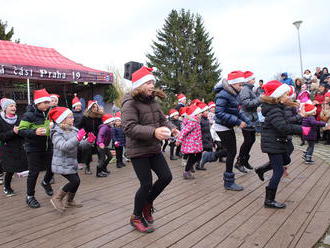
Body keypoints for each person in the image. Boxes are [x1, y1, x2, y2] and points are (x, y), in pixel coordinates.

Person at [122, 66, 176, 233]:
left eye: (152, 81)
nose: (152, 85)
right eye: (148, 82)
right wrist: (153, 132)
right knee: (146, 184)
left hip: (153, 147)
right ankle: (136, 217)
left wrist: (172, 128)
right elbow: (129, 127)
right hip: (138, 150)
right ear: (138, 85)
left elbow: (162, 120)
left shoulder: (152, 100)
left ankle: (147, 203)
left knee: (166, 177)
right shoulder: (129, 102)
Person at [260, 80, 304, 208]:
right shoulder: (274, 110)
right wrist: (301, 129)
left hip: (277, 142)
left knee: (286, 160)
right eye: (285, 94)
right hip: (273, 144)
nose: (287, 96)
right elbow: (283, 127)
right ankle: (269, 200)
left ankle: (262, 169)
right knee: (278, 171)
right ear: (278, 96)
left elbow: (284, 122)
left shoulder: (278, 107)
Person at [48, 107, 91, 212]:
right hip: (61, 163)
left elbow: (79, 145)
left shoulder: (73, 130)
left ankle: (69, 201)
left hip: (71, 162)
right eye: (70, 117)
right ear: (62, 119)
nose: (73, 119)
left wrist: (89, 141)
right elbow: (64, 146)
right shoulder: (56, 133)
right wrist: (77, 138)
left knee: (77, 181)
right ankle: (57, 198)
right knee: (74, 181)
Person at [214, 71, 250, 191]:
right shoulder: (223, 94)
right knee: (231, 152)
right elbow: (219, 113)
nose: (241, 87)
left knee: (229, 151)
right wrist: (238, 122)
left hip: (227, 125)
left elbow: (237, 111)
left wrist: (248, 121)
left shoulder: (233, 93)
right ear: (233, 84)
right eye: (240, 84)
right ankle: (228, 182)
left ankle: (209, 156)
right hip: (222, 126)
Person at [18, 89, 54, 208]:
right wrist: (35, 132)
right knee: (34, 172)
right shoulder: (29, 114)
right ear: (38, 103)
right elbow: (21, 131)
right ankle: (30, 197)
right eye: (45, 102)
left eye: (48, 102)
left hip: (47, 145)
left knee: (52, 167)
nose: (48, 105)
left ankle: (45, 182)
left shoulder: (49, 113)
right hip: (33, 148)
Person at [0, 98, 28, 196]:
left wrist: (22, 131)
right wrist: (13, 132)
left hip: (19, 147)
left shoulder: (19, 119)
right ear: (5, 108)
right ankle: (7, 187)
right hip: (7, 148)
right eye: (11, 106)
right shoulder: (1, 120)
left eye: (15, 106)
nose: (14, 108)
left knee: (18, 167)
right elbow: (2, 137)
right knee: (10, 170)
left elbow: (23, 133)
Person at [235, 71, 261, 173]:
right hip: (246, 118)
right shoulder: (245, 89)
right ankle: (239, 162)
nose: (254, 80)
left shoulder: (249, 89)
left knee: (251, 140)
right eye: (253, 78)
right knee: (247, 141)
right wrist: (259, 100)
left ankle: (245, 160)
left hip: (251, 118)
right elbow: (246, 103)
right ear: (247, 80)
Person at [176, 104, 203, 178]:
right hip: (192, 143)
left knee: (197, 156)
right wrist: (179, 140)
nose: (201, 114)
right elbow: (184, 131)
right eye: (200, 113)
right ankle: (187, 171)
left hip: (196, 142)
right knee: (194, 156)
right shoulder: (193, 122)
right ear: (196, 114)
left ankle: (188, 168)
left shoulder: (196, 120)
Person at [77, 100, 103, 175]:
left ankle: (101, 169)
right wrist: (84, 134)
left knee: (100, 152)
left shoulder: (99, 117)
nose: (95, 108)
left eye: (96, 107)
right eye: (94, 107)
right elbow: (79, 127)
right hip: (89, 138)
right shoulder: (85, 117)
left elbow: (101, 127)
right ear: (90, 108)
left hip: (98, 137)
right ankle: (87, 167)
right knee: (88, 154)